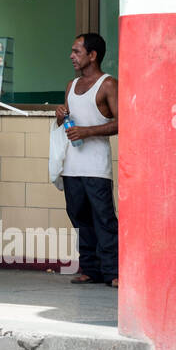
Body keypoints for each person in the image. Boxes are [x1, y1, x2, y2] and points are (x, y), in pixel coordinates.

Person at [56, 33, 120, 288]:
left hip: (96, 167)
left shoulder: (108, 84)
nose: (72, 56)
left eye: (77, 51)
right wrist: (60, 115)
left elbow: (122, 122)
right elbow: (67, 121)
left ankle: (113, 271)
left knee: (103, 218)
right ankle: (90, 269)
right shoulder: (71, 86)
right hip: (72, 166)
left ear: (92, 55)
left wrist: (88, 131)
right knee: (79, 217)